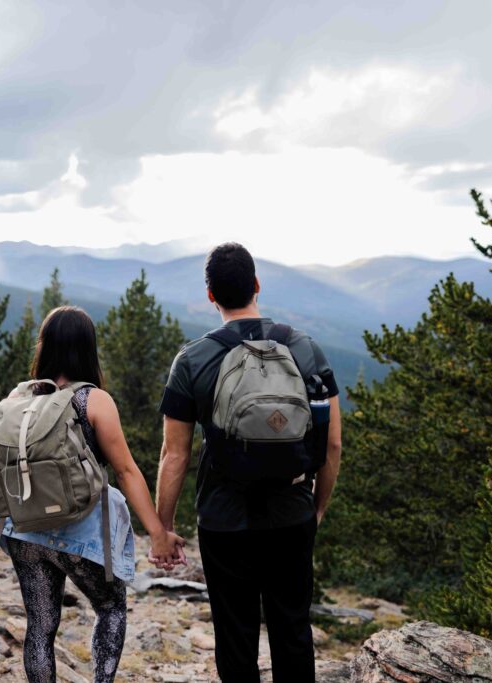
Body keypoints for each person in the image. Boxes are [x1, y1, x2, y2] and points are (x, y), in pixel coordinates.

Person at [152, 243, 343, 682]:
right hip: (291, 512)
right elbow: (332, 444)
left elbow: (174, 454)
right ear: (257, 286)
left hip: (224, 519)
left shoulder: (193, 359)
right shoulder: (305, 349)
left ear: (210, 296)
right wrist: (317, 507)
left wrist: (163, 525)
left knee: (235, 638)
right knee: (293, 631)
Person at [0, 305, 185, 683]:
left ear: (43, 347)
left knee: (41, 626)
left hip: (23, 529)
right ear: (88, 349)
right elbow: (126, 471)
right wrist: (157, 532)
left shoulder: (20, 397)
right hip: (76, 532)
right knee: (110, 609)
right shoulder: (93, 400)